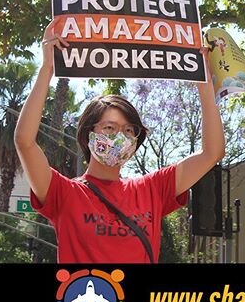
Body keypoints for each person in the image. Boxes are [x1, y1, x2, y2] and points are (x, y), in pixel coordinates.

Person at [14, 23, 225, 264]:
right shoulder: (63, 193)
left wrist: (204, 83)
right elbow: (25, 141)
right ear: (88, 134)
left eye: (128, 130)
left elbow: (212, 152)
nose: (119, 137)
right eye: (109, 128)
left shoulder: (153, 189)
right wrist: (47, 68)